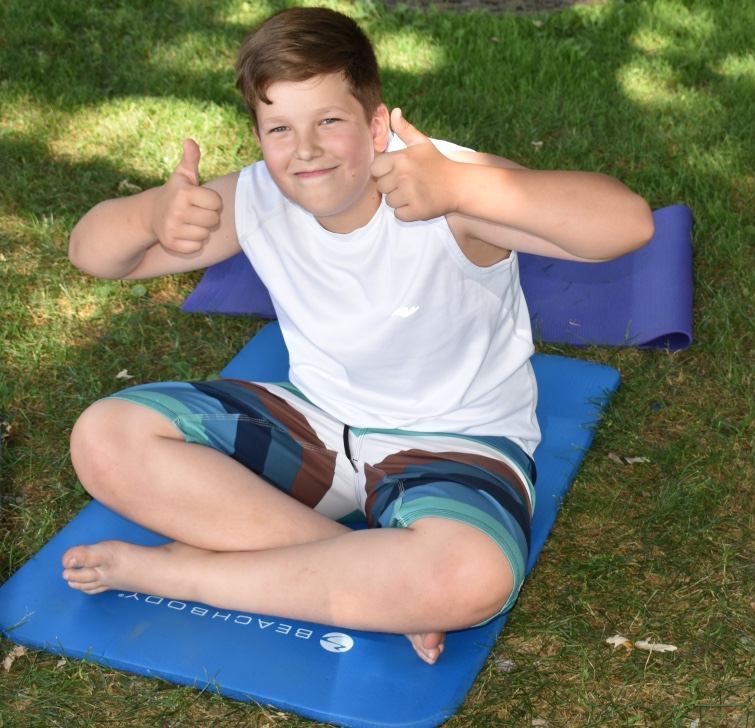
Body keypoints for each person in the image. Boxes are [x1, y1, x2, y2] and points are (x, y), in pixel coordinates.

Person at [61, 6, 653, 665]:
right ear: (258, 136)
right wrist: (150, 214)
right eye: (280, 128)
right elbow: (94, 255)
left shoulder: (443, 185)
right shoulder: (259, 195)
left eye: (329, 121)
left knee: (469, 577)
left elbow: (627, 224)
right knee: (105, 439)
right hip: (316, 428)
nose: (305, 149)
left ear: (375, 124)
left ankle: (185, 574)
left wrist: (464, 185)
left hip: (453, 442)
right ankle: (359, 573)